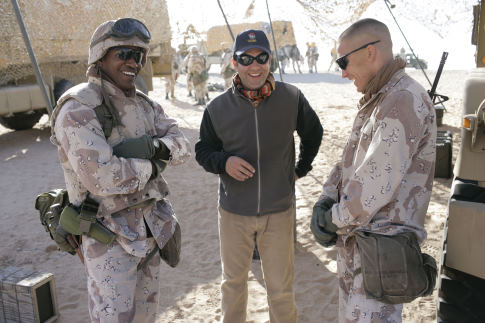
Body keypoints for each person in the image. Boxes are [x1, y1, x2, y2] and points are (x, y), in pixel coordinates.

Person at [50, 18, 191, 322]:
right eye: (123, 54)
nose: (133, 63)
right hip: (109, 240)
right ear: (100, 57)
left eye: (139, 55)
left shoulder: (144, 105)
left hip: (151, 232)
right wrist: (155, 165)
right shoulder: (78, 108)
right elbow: (102, 177)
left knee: (146, 318)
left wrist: (154, 148)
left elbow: (182, 146)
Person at [311, 18, 436, 322]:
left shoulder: (402, 99)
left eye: (344, 60)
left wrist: (332, 219)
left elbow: (374, 186)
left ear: (370, 52)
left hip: (380, 257)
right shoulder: (378, 98)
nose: (342, 72)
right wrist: (326, 198)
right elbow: (349, 161)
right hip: (358, 250)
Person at [195, 29, 323, 323]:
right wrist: (224, 162)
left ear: (270, 59)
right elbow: (203, 151)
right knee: (233, 285)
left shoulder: (292, 98)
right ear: (234, 62)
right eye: (246, 58)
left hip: (279, 212)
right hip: (233, 214)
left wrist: (301, 168)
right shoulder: (216, 108)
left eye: (262, 57)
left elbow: (313, 134)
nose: (255, 66)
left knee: (280, 290)